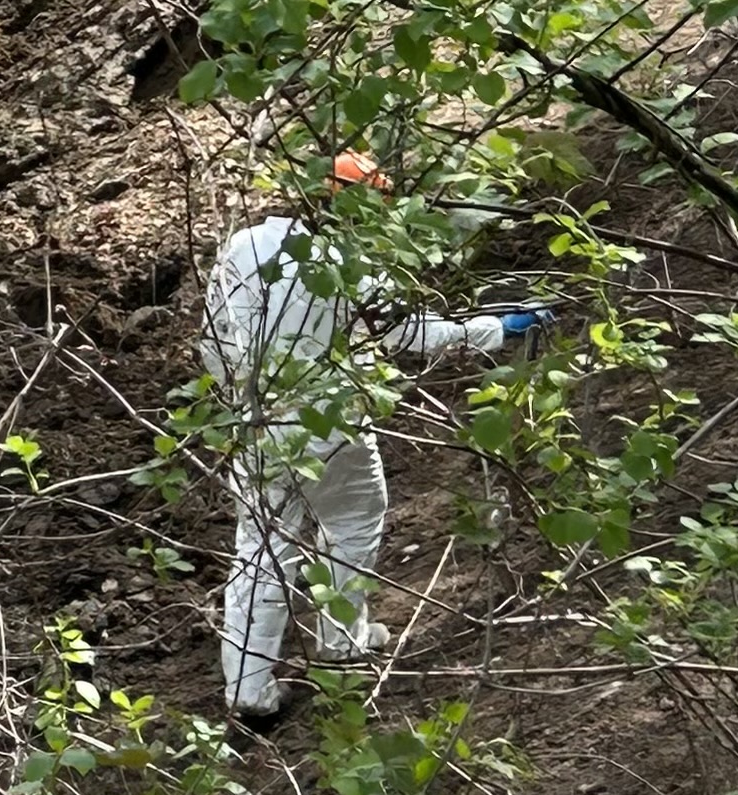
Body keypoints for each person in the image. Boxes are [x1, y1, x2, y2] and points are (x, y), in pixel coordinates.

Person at [205, 154, 553, 723]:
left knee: (262, 548)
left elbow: (215, 339)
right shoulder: (351, 264)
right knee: (351, 523)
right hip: (330, 422)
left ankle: (247, 688)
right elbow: (414, 333)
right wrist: (497, 327)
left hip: (257, 423)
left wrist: (239, 402)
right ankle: (341, 644)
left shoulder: (242, 247)